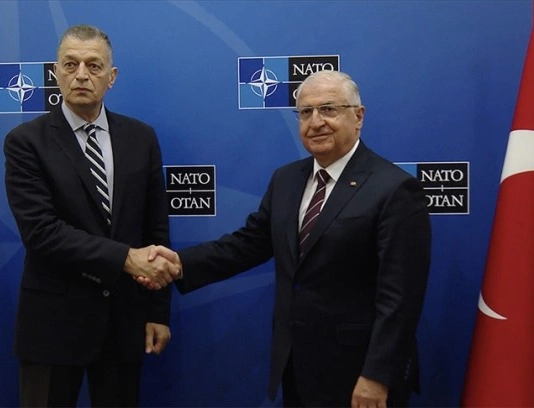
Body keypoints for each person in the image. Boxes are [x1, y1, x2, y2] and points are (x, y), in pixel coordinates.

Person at [144, 70, 431, 407]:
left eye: (328, 109)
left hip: (360, 375)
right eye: (305, 112)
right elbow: (249, 243)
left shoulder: (394, 189)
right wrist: (180, 264)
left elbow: (401, 298)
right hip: (297, 365)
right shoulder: (287, 180)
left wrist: (377, 375)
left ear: (358, 116)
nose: (316, 122)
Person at [4, 24, 178, 407]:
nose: (81, 74)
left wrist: (158, 312)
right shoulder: (26, 142)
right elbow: (42, 232)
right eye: (70, 64)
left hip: (124, 321)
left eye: (93, 66)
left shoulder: (141, 138)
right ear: (56, 73)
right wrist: (125, 258)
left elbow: (156, 230)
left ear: (111, 77)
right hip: (52, 324)